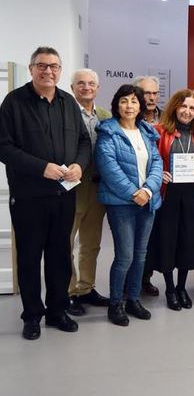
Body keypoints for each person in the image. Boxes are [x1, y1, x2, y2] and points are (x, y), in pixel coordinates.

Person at [0, 46, 91, 340]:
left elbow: (83, 141)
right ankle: (32, 316)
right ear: (31, 69)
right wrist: (42, 168)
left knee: (59, 256)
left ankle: (56, 311)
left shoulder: (68, 102)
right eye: (42, 66)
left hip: (64, 195)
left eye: (54, 66)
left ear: (60, 71)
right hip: (29, 197)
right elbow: (4, 147)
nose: (48, 71)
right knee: (29, 257)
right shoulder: (14, 102)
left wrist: (79, 164)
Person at [95, 84, 163, 327]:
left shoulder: (147, 131)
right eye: (124, 101)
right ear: (116, 105)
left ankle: (133, 298)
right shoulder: (108, 132)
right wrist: (135, 193)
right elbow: (108, 168)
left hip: (148, 202)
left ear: (140, 106)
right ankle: (116, 303)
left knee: (140, 255)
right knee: (124, 255)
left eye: (134, 101)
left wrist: (147, 190)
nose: (129, 106)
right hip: (121, 204)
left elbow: (157, 163)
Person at [149, 89, 194, 311]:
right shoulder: (160, 131)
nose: (187, 111)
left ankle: (182, 287)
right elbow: (151, 162)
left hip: (191, 194)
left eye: (192, 108)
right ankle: (169, 288)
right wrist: (159, 175)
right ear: (175, 107)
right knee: (169, 240)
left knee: (187, 241)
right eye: (184, 106)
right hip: (168, 194)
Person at [66, 68, 112, 317]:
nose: (86, 87)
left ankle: (86, 287)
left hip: (97, 188)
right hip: (70, 189)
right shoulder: (64, 114)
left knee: (91, 243)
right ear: (72, 87)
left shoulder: (105, 116)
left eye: (91, 83)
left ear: (98, 87)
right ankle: (70, 291)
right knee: (66, 243)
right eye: (81, 83)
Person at [134, 75, 162, 296]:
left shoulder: (166, 117)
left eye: (154, 93)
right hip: (136, 188)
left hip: (161, 185)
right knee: (132, 241)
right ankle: (129, 283)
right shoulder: (130, 117)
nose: (151, 98)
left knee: (151, 238)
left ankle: (145, 278)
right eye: (146, 93)